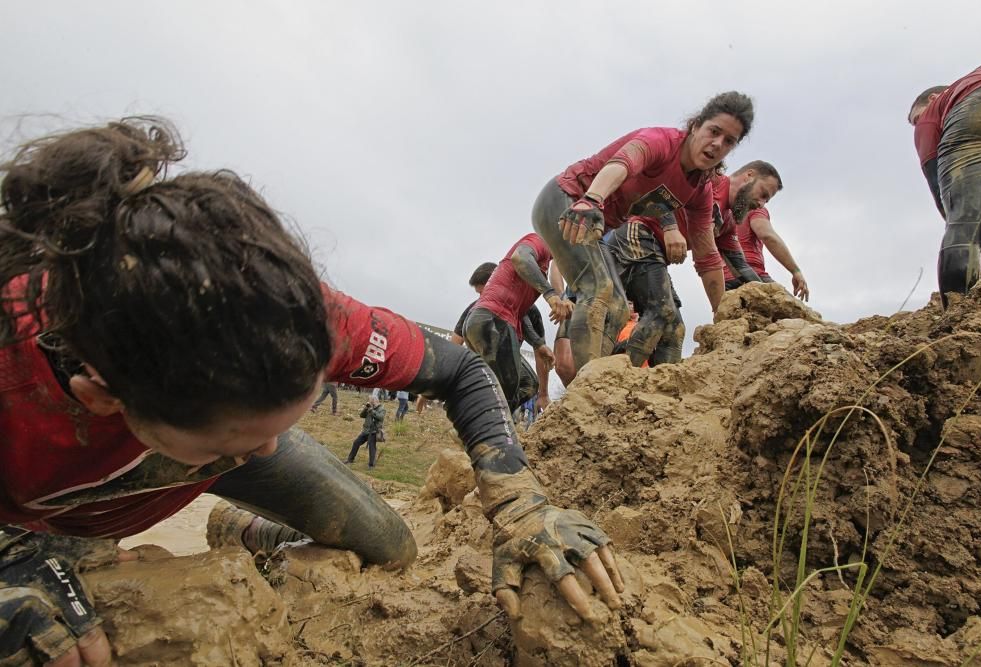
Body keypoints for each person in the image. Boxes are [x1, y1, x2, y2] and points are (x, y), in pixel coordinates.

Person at [0, 118, 624, 666]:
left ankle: (239, 528)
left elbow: (463, 371)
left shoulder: (303, 315)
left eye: (279, 422)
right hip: (43, 505)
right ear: (104, 393)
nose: (271, 449)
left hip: (168, 450)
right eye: (237, 436)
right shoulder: (16, 385)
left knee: (390, 545)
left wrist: (521, 505)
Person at [534, 91, 755, 372]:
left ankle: (605, 382)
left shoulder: (700, 190)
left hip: (598, 227)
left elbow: (708, 257)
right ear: (696, 125)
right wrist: (591, 200)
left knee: (617, 307)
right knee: (599, 290)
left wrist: (721, 314)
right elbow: (623, 163)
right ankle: (588, 388)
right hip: (567, 201)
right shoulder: (660, 142)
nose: (717, 144)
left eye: (729, 142)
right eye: (714, 131)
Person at [908, 59, 981, 308]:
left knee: (964, 226)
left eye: (915, 119)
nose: (918, 125)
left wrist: (972, 242)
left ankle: (959, 314)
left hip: (978, 110)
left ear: (934, 98)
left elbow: (935, 175)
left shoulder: (934, 109)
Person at [463, 233, 572, 413]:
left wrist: (538, 344)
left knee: (528, 384)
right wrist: (550, 294)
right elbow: (519, 257)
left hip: (494, 324)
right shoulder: (539, 241)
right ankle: (477, 429)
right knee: (505, 392)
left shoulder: (543, 266)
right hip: (492, 320)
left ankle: (481, 426)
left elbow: (521, 313)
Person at [346, 397, 386, 468]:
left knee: (372, 447)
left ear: (376, 401)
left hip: (373, 431)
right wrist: (366, 408)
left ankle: (371, 465)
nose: (370, 402)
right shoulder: (369, 407)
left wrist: (371, 410)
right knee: (356, 443)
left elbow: (380, 417)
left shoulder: (382, 409)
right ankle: (350, 459)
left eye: (371, 401)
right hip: (366, 431)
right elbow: (362, 415)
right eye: (369, 401)